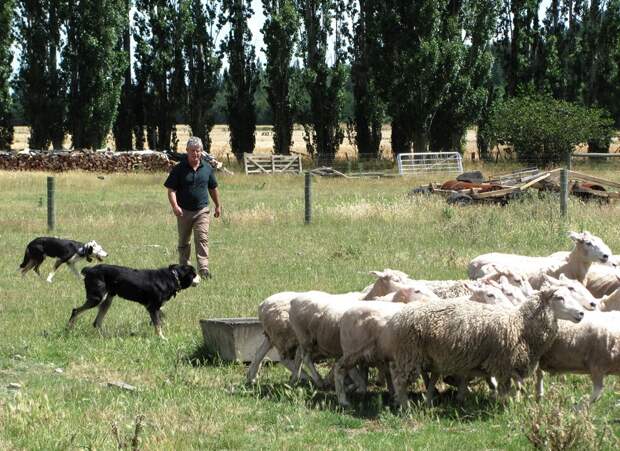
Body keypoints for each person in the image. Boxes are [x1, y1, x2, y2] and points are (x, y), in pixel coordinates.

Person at [164, 137, 221, 279]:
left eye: (198, 151)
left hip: (202, 210)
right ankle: (184, 269)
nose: (195, 154)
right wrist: (175, 206)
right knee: (184, 242)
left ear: (201, 151)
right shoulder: (179, 169)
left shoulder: (207, 168)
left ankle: (203, 269)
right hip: (183, 212)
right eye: (192, 151)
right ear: (187, 151)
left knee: (202, 239)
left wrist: (218, 205)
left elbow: (213, 188)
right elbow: (171, 190)